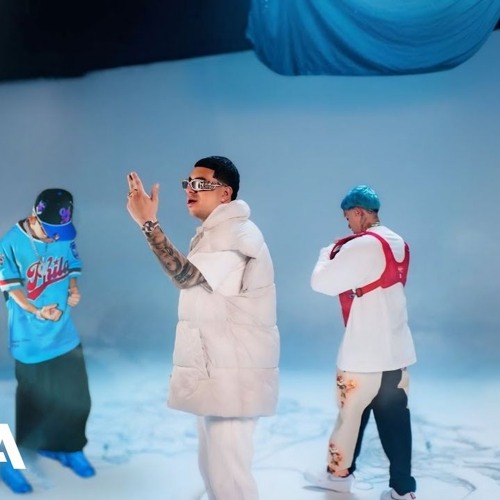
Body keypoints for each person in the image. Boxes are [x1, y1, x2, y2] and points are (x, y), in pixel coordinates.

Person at [126, 156, 280, 500]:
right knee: (213, 469)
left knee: (230, 478)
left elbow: (186, 276)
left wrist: (148, 223)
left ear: (225, 194)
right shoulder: (216, 233)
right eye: (188, 183)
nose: (190, 190)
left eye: (200, 184)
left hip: (234, 375)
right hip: (220, 370)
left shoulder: (237, 235)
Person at [306, 185, 417, 500]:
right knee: (396, 422)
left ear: (359, 212)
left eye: (348, 218)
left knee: (350, 416)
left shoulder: (362, 245)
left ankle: (338, 476)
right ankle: (403, 490)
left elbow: (321, 282)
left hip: (363, 353)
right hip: (395, 352)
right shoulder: (398, 242)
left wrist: (327, 252)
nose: (349, 225)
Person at [0, 188, 95, 494]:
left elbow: (70, 265)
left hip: (63, 335)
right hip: (30, 340)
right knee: (32, 406)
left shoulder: (62, 234)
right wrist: (36, 311)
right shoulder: (10, 243)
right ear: (34, 217)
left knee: (77, 398)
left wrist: (73, 289)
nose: (56, 238)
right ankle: (9, 462)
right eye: (50, 231)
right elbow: (11, 289)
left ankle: (65, 447)